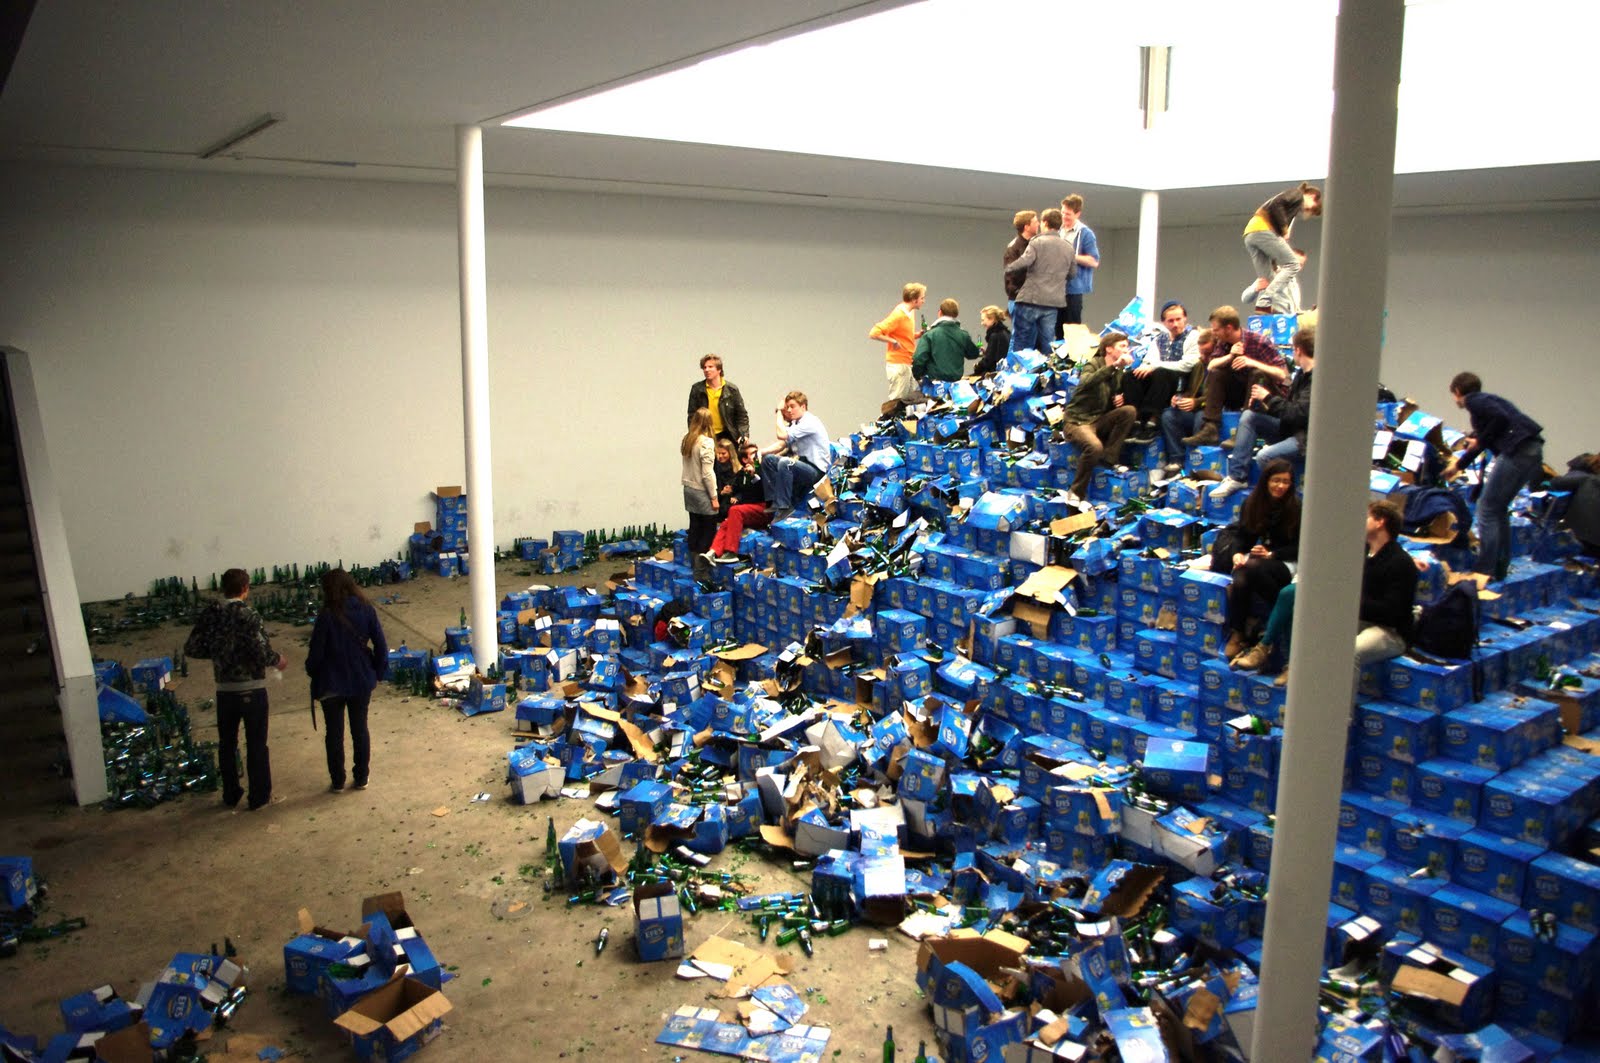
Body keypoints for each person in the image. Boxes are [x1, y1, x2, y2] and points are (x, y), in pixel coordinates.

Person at [1233, 501, 1420, 688]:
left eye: (1367, 517)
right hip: (1359, 617)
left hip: (1389, 631)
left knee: (1349, 653)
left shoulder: (1400, 563)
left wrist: (1347, 602)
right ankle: (1292, 666)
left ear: (1380, 522)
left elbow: (1392, 612)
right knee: (1302, 611)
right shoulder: (1361, 552)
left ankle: (1341, 707)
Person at [184, 567, 286, 810]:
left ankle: (230, 794)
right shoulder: (249, 615)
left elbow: (192, 647)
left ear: (223, 588)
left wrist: (219, 653)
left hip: (225, 690)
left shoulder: (212, 614)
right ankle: (259, 797)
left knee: (227, 743)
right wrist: (277, 660)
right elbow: (261, 651)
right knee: (257, 744)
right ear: (245, 589)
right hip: (252, 689)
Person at [1441, 372, 1545, 580]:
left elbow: (1499, 420)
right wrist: (1459, 465)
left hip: (1517, 451)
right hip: (1531, 450)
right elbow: (1487, 438)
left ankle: (1484, 569)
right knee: (1498, 508)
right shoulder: (1489, 400)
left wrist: (1479, 440)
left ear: (1458, 391)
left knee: (1486, 508)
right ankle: (1499, 567)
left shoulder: (1474, 401)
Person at [305, 567, 388, 792]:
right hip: (360, 679)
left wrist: (312, 671)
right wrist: (378, 672)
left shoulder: (326, 615)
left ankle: (338, 780)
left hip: (331, 682)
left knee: (334, 733)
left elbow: (316, 654)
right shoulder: (366, 609)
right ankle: (361, 777)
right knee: (360, 729)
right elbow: (381, 646)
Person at [1211, 326, 1315, 500]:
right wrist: (1264, 405)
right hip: (1290, 428)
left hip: (1304, 438)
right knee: (1250, 416)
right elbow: (1289, 410)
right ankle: (1237, 477)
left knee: (1264, 456)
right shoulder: (1301, 375)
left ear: (1298, 350)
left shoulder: (1315, 379)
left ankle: (1281, 502)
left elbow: (1297, 414)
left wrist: (1268, 398)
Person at [1213, 460, 1301, 661]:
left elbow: (1300, 548)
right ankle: (1238, 633)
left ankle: (1254, 631)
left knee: (1250, 567)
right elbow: (1243, 536)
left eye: (1286, 482)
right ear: (1266, 481)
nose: (1280, 486)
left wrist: (1272, 554)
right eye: (1276, 480)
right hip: (1261, 561)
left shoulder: (1297, 508)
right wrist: (1237, 553)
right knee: (1242, 574)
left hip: (1286, 561)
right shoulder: (1252, 503)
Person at [1180, 306, 1289, 448]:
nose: (1213, 333)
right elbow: (1211, 366)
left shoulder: (1259, 341)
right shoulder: (1223, 343)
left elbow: (1282, 375)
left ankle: (1242, 431)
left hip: (1266, 396)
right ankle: (1211, 429)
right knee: (1217, 372)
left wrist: (1252, 362)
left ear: (1229, 328)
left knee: (1257, 373)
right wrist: (1230, 356)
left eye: (1216, 329)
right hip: (1240, 395)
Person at [1059, 332, 1137, 503]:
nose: (1126, 349)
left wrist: (1118, 398)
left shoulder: (1119, 372)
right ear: (1109, 349)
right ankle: (1076, 492)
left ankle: (1109, 459)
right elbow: (1086, 383)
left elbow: (1110, 395)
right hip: (1078, 421)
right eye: (1122, 346)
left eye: (1127, 346)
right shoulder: (1093, 364)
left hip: (1098, 419)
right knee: (1094, 447)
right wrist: (1113, 366)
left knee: (1129, 411)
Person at [1122, 300, 1201, 437]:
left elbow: (1188, 364)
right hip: (1159, 378)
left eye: (1178, 319)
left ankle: (1152, 419)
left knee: (1161, 373)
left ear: (1185, 318)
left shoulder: (1193, 336)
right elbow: (1148, 361)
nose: (1175, 324)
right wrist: (1146, 367)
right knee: (1131, 376)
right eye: (1171, 321)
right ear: (1164, 322)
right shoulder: (1159, 339)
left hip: (1182, 380)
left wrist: (1155, 365)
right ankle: (1135, 418)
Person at [1003, 208, 1073, 355]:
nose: (1038, 224)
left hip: (1030, 299)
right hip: (1053, 302)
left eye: (1039, 221)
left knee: (1021, 342)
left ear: (1045, 223)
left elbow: (1024, 262)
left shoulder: (1036, 242)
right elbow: (1072, 273)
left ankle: (1018, 368)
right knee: (1048, 342)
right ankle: (1045, 368)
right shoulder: (1068, 247)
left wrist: (1009, 268)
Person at [1243, 182, 1321, 313]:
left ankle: (1265, 309)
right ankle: (1265, 301)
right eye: (1311, 208)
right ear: (1312, 195)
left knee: (1267, 278)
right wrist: (1284, 229)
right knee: (1293, 265)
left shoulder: (1291, 207)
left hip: (1250, 234)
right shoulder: (1297, 195)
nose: (1306, 211)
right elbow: (1277, 204)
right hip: (1262, 230)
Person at [759, 390, 831, 522]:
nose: (789, 410)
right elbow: (782, 444)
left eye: (792, 407)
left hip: (816, 471)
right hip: (803, 465)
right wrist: (761, 452)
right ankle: (773, 502)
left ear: (803, 406)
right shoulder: (797, 423)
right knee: (768, 460)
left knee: (786, 463)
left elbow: (781, 435)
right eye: (787, 407)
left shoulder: (810, 422)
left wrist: (779, 413)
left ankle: (784, 507)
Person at [1157, 328, 1219, 476]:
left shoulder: (1222, 367)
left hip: (1211, 413)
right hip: (1195, 409)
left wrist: (1196, 403)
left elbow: (1219, 398)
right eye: (1201, 353)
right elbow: (1191, 390)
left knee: (1201, 417)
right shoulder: (1198, 366)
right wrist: (1179, 398)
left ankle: (1196, 463)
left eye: (1208, 353)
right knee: (1168, 415)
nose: (1203, 357)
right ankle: (1177, 460)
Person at [869, 283, 926, 417]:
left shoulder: (910, 313)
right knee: (896, 404)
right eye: (922, 298)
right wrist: (892, 341)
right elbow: (874, 333)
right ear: (914, 300)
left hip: (907, 362)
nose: (923, 301)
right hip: (899, 364)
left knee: (909, 402)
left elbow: (902, 335)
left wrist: (917, 335)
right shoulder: (899, 315)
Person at [710, 440, 769, 558]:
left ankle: (731, 552)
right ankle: (713, 552)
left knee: (735, 511)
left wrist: (754, 475)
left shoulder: (765, 469)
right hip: (749, 510)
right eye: (753, 453)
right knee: (726, 523)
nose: (757, 455)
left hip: (765, 509)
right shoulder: (741, 474)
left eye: (756, 452)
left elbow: (765, 489)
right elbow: (738, 490)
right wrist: (731, 493)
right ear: (745, 460)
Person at [682, 407, 719, 580]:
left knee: (695, 527)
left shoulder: (688, 439)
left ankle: (693, 566)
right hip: (701, 490)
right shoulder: (706, 442)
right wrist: (714, 496)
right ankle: (701, 572)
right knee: (708, 530)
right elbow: (707, 473)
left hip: (688, 488)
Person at [1057, 193, 1100, 331]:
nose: (1064, 217)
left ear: (1077, 214)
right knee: (1057, 328)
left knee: (1072, 328)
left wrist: (1070, 256)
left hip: (1073, 288)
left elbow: (1094, 261)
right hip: (1056, 287)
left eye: (1068, 214)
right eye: (1063, 212)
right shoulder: (1057, 230)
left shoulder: (1085, 234)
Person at [912, 298, 981, 383]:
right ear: (956, 314)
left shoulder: (929, 335)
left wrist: (918, 376)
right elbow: (973, 354)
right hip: (955, 382)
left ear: (940, 313)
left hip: (934, 383)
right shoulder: (963, 335)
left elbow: (919, 358)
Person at [686, 354, 749, 443]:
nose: (706, 370)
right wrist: (694, 434)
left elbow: (741, 415)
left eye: (710, 367)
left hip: (727, 434)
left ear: (719, 370)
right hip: (705, 434)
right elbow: (692, 415)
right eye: (704, 367)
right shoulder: (697, 389)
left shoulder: (731, 390)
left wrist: (743, 434)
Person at [1240, 247, 1310, 315]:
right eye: (1295, 263)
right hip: (1269, 321)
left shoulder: (1294, 283)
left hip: (1286, 322)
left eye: (1300, 265)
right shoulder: (1271, 275)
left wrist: (1306, 313)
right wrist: (1256, 288)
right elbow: (1245, 298)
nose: (1297, 267)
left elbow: (1292, 311)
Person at [1002, 211, 1037, 321]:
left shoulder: (1035, 244)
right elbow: (1010, 274)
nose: (1039, 224)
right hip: (1019, 300)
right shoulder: (1014, 248)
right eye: (1035, 222)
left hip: (1031, 299)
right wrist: (1018, 293)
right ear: (1027, 227)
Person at [975, 305, 1011, 375]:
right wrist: (987, 352)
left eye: (983, 320)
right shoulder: (1006, 332)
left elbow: (989, 361)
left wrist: (977, 367)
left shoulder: (995, 336)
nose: (982, 323)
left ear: (992, 319)